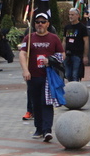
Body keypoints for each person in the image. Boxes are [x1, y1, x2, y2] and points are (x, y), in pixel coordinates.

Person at [19, 12, 64, 141]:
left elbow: (61, 55)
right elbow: (22, 54)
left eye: (43, 22)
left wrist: (50, 60)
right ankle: (38, 128)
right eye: (38, 22)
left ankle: (47, 130)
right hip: (33, 76)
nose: (40, 24)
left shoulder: (54, 38)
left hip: (48, 76)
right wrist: (25, 70)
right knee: (36, 103)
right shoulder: (29, 38)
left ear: (48, 24)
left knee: (46, 102)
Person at [63, 8, 89, 81]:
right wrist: (62, 52)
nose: (70, 16)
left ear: (77, 15)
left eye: (72, 15)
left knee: (75, 74)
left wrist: (85, 56)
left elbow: (86, 41)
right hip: (68, 54)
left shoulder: (82, 27)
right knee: (67, 74)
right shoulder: (67, 27)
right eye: (69, 15)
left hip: (77, 54)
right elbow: (64, 40)